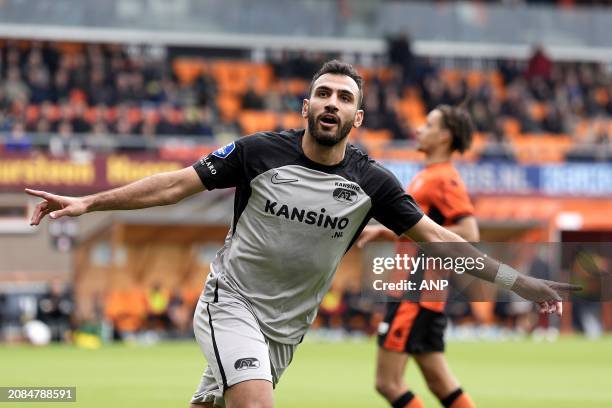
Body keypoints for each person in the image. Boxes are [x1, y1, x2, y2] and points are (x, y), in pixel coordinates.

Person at [26, 60, 576, 408]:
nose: (332, 103)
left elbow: (443, 239)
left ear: (358, 117)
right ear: (306, 106)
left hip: (287, 329)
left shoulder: (373, 181)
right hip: (231, 302)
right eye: (324, 93)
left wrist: (517, 281)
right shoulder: (258, 151)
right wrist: (87, 202)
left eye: (344, 97)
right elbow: (174, 186)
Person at [358, 104, 479, 408]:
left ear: (445, 136)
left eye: (428, 125)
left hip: (414, 293)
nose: (419, 130)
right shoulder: (428, 176)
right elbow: (422, 230)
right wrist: (387, 232)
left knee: (388, 383)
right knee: (439, 381)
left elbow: (469, 233)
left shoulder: (443, 179)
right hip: (425, 294)